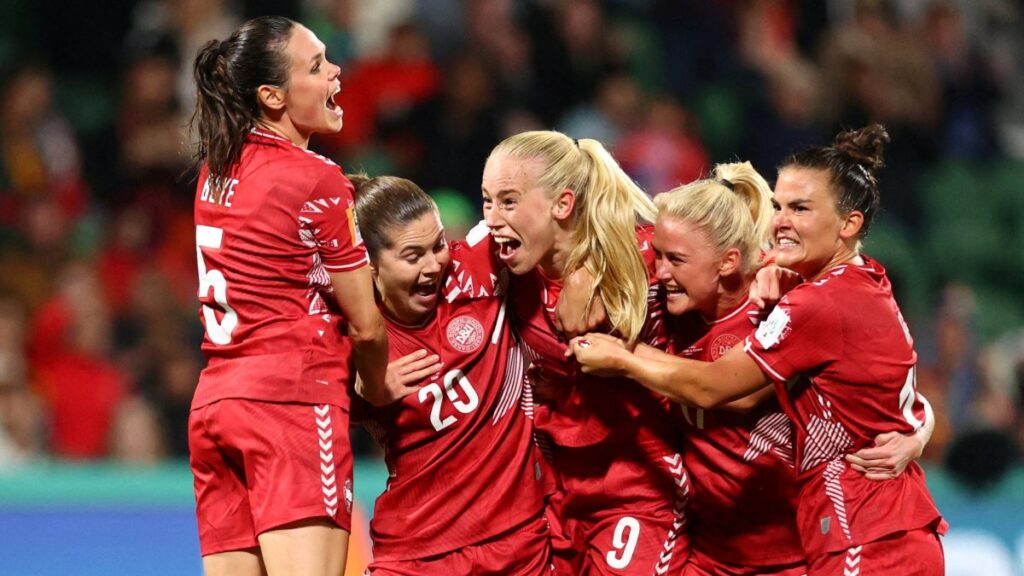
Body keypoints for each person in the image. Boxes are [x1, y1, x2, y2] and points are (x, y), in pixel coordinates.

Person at [571, 125, 947, 574]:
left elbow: (720, 387)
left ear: (850, 224)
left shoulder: (812, 301)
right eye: (779, 207)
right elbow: (876, 385)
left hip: (862, 533)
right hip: (842, 531)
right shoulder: (853, 281)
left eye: (801, 209)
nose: (781, 222)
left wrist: (623, 358)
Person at [186, 16, 389, 576]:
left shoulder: (216, 170)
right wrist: (377, 385)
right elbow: (367, 325)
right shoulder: (316, 179)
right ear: (272, 95)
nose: (336, 72)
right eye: (318, 66)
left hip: (214, 408)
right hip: (291, 408)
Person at [480, 130, 687, 575]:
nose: (493, 219)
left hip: (639, 492)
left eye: (509, 201)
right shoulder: (506, 267)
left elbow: (742, 264)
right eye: (486, 201)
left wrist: (772, 276)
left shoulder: (647, 257)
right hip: (552, 497)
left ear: (563, 204)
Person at [350, 175, 551, 575]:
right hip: (414, 554)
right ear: (369, 266)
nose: (433, 265)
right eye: (412, 256)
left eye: (438, 245)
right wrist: (365, 388)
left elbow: (552, 212)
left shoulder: (480, 266)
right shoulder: (352, 342)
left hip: (517, 544)